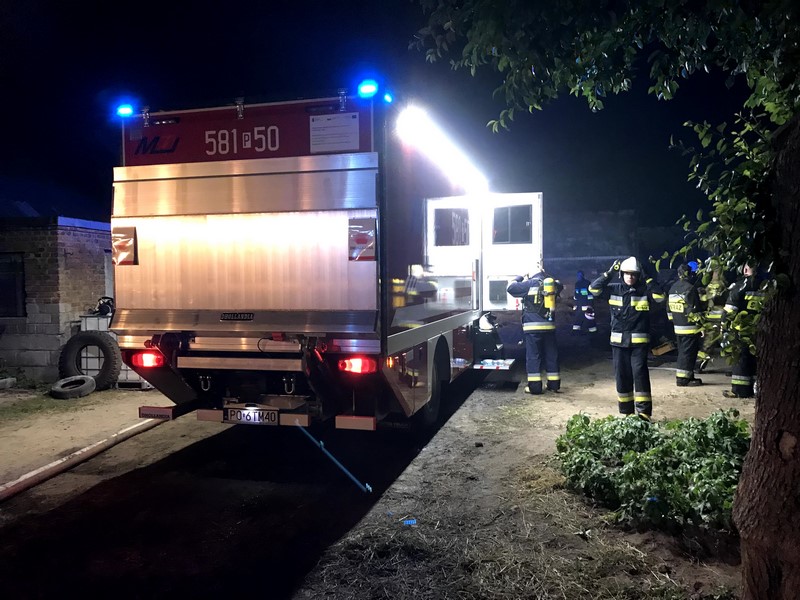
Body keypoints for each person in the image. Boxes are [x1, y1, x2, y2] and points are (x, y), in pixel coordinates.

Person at [589, 256, 665, 420]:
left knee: (640, 375)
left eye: (634, 274)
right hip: (618, 343)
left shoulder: (644, 290)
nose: (630, 277)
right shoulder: (613, 289)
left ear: (638, 275)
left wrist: (648, 277)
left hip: (639, 344)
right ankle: (626, 413)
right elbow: (593, 289)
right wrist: (609, 273)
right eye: (627, 273)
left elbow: (660, 297)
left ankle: (644, 413)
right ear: (621, 274)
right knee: (622, 377)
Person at [507, 263, 564, 394]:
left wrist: (520, 276)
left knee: (533, 356)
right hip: (549, 326)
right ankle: (554, 384)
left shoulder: (529, 284)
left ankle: (535, 387)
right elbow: (559, 286)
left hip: (532, 327)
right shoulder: (552, 284)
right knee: (551, 354)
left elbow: (510, 288)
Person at [722, 263, 764, 398]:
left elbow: (729, 311)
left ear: (745, 270)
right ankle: (757, 389)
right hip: (762, 331)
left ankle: (741, 390)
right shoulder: (766, 286)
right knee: (756, 359)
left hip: (741, 330)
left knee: (741, 359)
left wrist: (724, 328)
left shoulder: (739, 286)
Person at [667, 263, 704, 386]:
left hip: (677, 327)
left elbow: (669, 309)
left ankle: (688, 376)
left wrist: (675, 320)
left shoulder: (673, 288)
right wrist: (701, 325)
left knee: (683, 352)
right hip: (690, 327)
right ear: (690, 274)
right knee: (688, 354)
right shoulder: (690, 288)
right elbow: (695, 309)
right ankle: (683, 379)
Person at [572, 270, 598, 334]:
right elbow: (576, 295)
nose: (579, 277)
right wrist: (575, 304)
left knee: (589, 318)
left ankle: (593, 331)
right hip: (579, 304)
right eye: (578, 275)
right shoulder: (577, 284)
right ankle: (576, 331)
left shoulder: (587, 283)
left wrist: (590, 304)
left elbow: (590, 294)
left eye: (580, 275)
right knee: (578, 317)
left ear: (583, 275)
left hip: (586, 304)